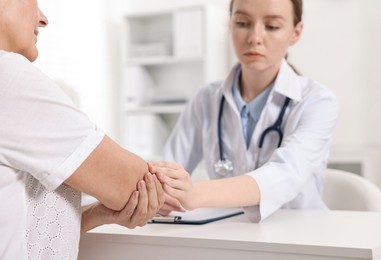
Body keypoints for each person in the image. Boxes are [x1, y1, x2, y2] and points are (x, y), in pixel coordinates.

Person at [0, 0, 164, 259]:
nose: (43, 19)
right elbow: (133, 185)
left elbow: (16, 231)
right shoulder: (8, 76)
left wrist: (95, 214)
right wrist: (166, 180)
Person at [150, 0, 339, 222]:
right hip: (230, 233)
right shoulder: (206, 100)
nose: (254, 38)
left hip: (303, 236)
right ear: (230, 25)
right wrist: (159, 189)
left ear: (295, 33)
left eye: (272, 26)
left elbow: (284, 174)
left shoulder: (317, 102)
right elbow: (169, 167)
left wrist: (196, 194)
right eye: (242, 23)